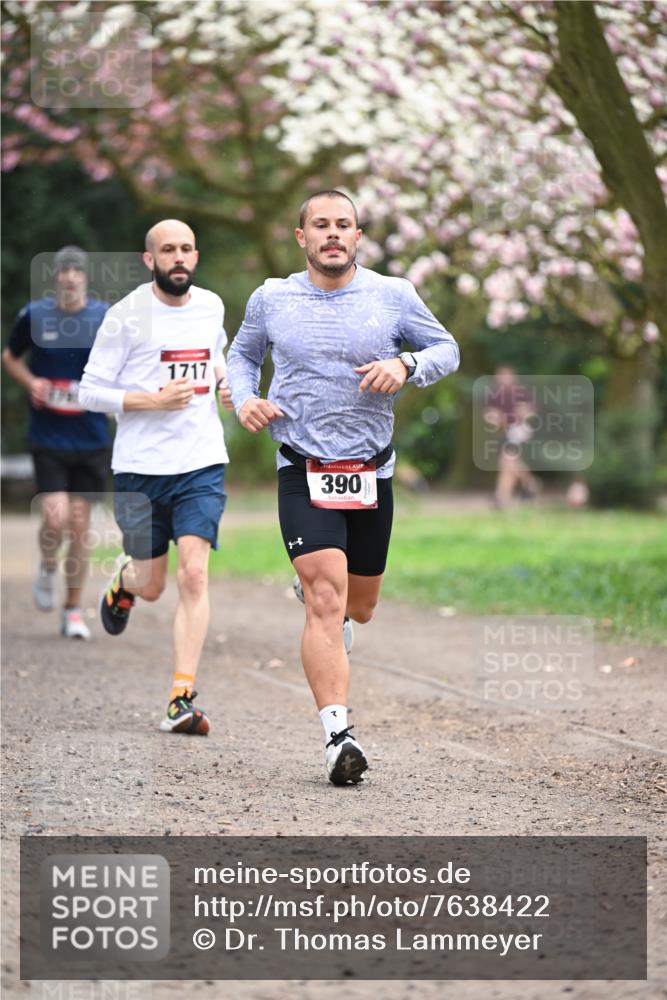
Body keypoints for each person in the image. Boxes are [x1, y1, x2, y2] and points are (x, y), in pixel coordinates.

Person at [226, 190, 460, 785]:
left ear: (358, 236)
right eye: (321, 225)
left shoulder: (393, 295)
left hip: (370, 470)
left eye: (343, 225)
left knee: (360, 606)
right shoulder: (271, 298)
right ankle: (338, 737)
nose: (332, 233)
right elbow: (242, 356)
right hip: (301, 465)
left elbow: (447, 349)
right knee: (326, 598)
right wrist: (246, 397)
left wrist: (406, 365)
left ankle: (325, 603)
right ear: (301, 236)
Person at [79, 219, 233, 735]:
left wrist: (225, 382)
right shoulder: (125, 317)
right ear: (150, 260)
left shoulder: (210, 306)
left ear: (196, 255)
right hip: (140, 469)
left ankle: (180, 697)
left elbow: (215, 356)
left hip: (201, 462)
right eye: (168, 250)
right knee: (151, 584)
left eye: (187, 248)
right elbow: (89, 391)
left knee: (194, 574)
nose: (179, 257)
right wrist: (152, 400)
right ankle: (125, 581)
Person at [2, 246, 110, 640]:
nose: (70, 277)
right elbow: (10, 357)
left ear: (85, 278)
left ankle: (73, 610)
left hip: (91, 437)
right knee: (55, 516)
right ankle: (48, 565)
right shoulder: (35, 316)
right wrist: (32, 382)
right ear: (55, 278)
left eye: (76, 271)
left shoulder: (104, 318)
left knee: (79, 527)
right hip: (48, 435)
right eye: (64, 271)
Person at [483, 365, 541, 508]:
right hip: (507, 433)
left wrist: (523, 413)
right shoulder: (495, 395)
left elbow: (530, 411)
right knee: (509, 463)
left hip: (519, 431)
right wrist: (493, 418)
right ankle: (531, 484)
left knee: (506, 461)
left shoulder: (520, 393)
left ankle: (502, 497)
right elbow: (489, 413)